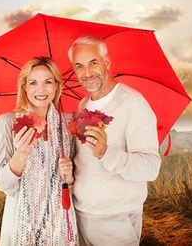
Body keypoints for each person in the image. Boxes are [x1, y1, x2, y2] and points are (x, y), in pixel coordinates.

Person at [67, 34, 161, 245]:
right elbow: (85, 164)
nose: (87, 73)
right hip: (80, 214)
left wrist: (106, 153)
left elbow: (151, 168)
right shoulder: (82, 106)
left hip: (116, 220)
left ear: (106, 62)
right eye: (79, 66)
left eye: (93, 63)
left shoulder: (133, 103)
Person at [0, 56, 79, 245]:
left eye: (48, 82)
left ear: (57, 86)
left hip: (61, 222)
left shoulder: (67, 125)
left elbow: (71, 184)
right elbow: (3, 184)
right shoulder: (8, 123)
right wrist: (21, 154)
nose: (41, 90)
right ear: (24, 87)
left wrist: (69, 177)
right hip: (21, 222)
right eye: (33, 83)